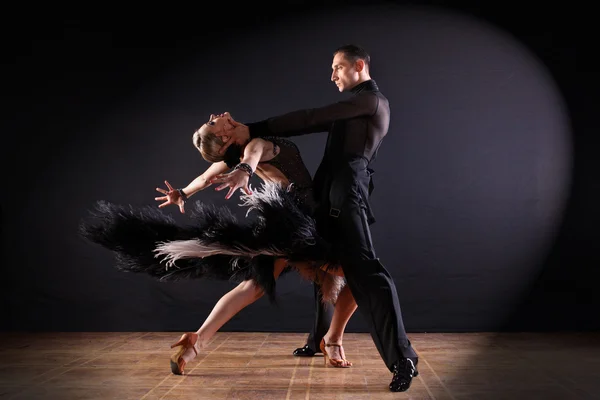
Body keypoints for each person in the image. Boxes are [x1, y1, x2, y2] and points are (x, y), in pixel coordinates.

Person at [79, 112, 357, 376]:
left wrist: (182, 193)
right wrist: (245, 171)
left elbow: (203, 178)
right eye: (213, 123)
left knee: (255, 286)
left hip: (285, 224)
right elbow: (253, 155)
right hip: (298, 223)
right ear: (226, 137)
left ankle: (196, 342)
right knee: (359, 275)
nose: (217, 116)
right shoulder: (253, 146)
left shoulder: (236, 152)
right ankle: (332, 340)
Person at [212, 44, 419, 392]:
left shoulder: (371, 101)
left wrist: (253, 128)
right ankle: (318, 341)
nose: (332, 75)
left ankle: (403, 360)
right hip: (328, 192)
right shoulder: (354, 104)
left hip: (347, 192)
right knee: (321, 264)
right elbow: (311, 122)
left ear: (359, 65)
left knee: (367, 273)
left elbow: (311, 117)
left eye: (338, 67)